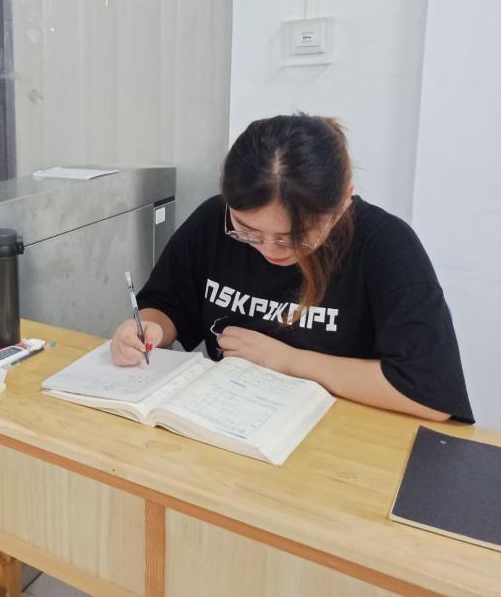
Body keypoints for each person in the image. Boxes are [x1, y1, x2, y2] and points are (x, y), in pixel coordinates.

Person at [111, 114, 473, 422]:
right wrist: (149, 330)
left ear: (343, 201)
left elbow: (428, 392)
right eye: (247, 231)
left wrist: (287, 361)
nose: (269, 249)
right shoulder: (212, 220)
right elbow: (168, 303)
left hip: (342, 436)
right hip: (230, 419)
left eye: (292, 237)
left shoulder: (386, 245)